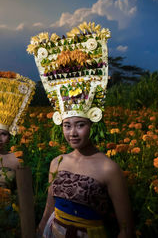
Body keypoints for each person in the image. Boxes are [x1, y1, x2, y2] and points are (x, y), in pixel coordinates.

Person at [27, 22, 134, 237]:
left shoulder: (108, 168)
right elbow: (49, 210)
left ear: (93, 125)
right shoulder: (56, 162)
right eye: (67, 126)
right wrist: (39, 231)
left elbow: (126, 228)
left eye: (80, 125)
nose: (73, 133)